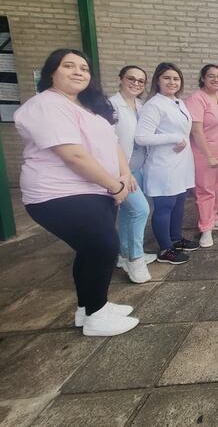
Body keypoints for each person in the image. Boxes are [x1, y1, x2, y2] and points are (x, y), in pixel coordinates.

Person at [15, 49, 139, 336]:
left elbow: (113, 141)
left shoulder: (85, 106)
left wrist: (125, 174)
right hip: (59, 194)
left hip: (95, 190)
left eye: (83, 67)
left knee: (90, 250)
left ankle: (90, 307)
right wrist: (114, 184)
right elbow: (73, 156)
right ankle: (97, 317)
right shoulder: (47, 105)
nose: (78, 72)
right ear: (51, 73)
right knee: (104, 247)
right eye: (68, 66)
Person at [136, 62, 197, 264]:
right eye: (167, 78)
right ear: (158, 81)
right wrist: (172, 138)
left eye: (176, 78)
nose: (172, 82)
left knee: (179, 202)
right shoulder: (154, 105)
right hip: (163, 164)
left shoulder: (178, 102)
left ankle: (175, 238)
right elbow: (142, 137)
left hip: (180, 162)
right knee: (164, 205)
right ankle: (165, 249)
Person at [109, 65, 154, 284]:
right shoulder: (110, 106)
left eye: (141, 81)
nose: (136, 83)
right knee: (140, 210)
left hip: (141, 167)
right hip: (122, 171)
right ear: (121, 79)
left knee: (128, 213)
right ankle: (136, 260)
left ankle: (124, 254)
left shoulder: (141, 105)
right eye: (131, 79)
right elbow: (109, 143)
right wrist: (124, 173)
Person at [186, 64, 218, 248]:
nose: (216, 79)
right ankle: (205, 229)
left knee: (216, 187)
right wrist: (209, 155)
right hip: (204, 154)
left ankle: (214, 219)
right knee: (205, 191)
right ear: (203, 78)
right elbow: (196, 130)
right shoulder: (196, 99)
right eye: (211, 76)